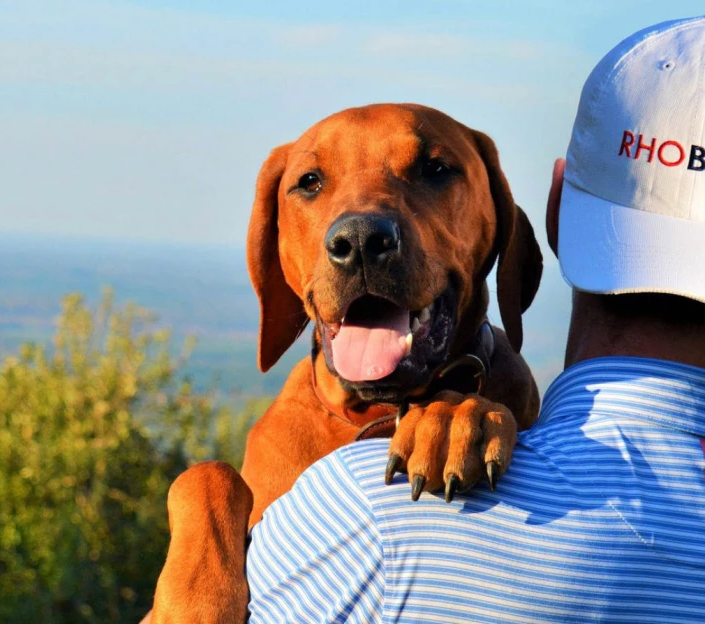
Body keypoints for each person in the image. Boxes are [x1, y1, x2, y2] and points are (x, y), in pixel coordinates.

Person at [246, 15, 705, 624]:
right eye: (310, 184)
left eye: (433, 172)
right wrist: (206, 499)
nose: (360, 228)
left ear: (544, 212)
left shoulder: (363, 524)